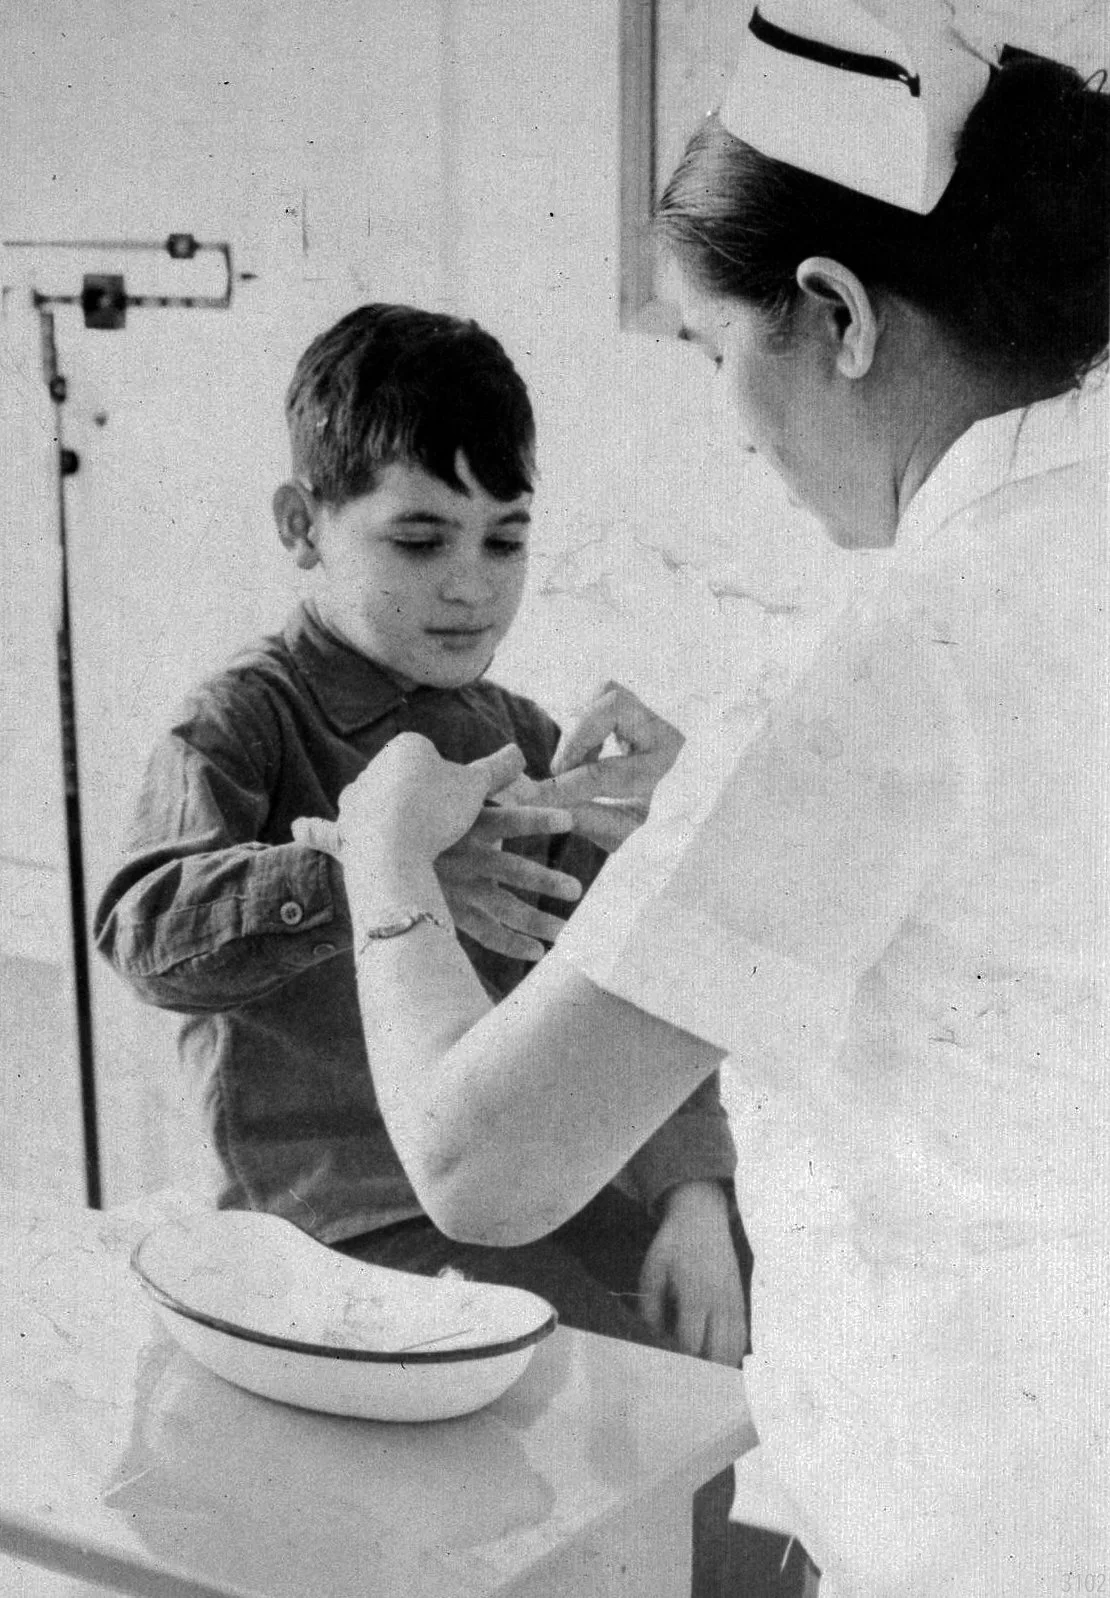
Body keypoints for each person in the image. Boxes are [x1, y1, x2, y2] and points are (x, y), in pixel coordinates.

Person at [298, 9, 1110, 1595]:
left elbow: (480, 1165)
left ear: (833, 315)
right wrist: (716, 817)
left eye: (708, 346)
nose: (731, 421)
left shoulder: (876, 662)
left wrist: (385, 851)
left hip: (974, 1528)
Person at [93, 303, 751, 1598]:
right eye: (419, 538)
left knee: (764, 1368)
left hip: (542, 1190)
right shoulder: (243, 721)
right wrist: (365, 866)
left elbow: (627, 988)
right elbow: (143, 929)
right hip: (340, 1219)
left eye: (505, 539)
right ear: (301, 526)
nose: (471, 583)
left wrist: (693, 1195)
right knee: (627, 1426)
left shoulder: (523, 733)